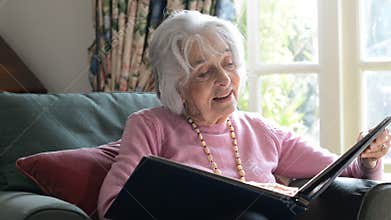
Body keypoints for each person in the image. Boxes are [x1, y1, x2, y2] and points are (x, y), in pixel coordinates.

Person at [98, 10, 390, 219]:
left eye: (229, 63)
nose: (224, 79)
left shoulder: (261, 130)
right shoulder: (150, 126)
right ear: (177, 85)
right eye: (204, 72)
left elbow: (344, 172)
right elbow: (113, 204)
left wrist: (369, 157)